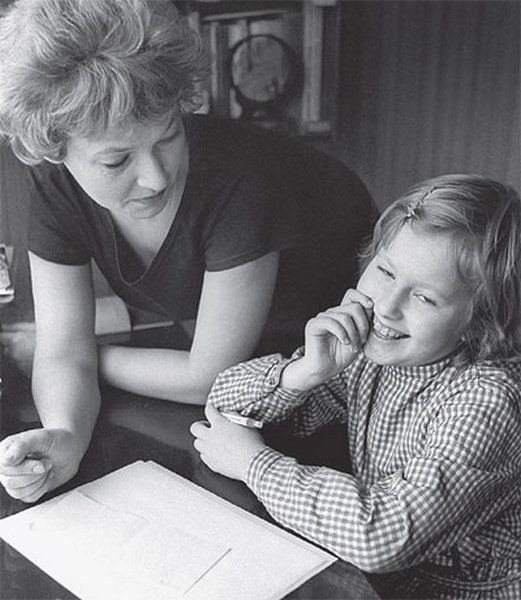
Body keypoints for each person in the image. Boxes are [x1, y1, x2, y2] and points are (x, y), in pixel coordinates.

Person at [0, 0, 376, 502]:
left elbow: (209, 378)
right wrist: (66, 436)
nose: (155, 177)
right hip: (237, 358)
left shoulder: (243, 180)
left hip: (343, 365)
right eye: (116, 160)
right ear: (55, 149)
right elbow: (63, 346)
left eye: (169, 134)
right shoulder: (53, 185)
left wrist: (76, 354)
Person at [191, 174, 521, 599]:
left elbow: (381, 536)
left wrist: (253, 464)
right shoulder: (373, 354)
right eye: (385, 271)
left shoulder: (490, 399)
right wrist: (305, 373)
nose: (387, 305)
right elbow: (222, 405)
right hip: (394, 583)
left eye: (424, 298)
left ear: (479, 321)